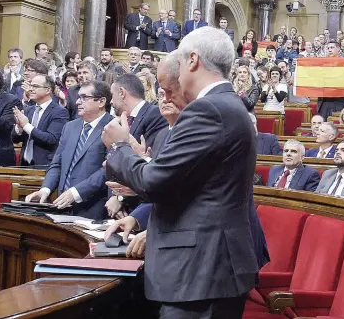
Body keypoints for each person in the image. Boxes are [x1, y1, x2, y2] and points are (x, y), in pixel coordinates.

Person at [102, 28, 260, 318]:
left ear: (192, 60)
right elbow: (192, 185)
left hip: (202, 270)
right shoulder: (227, 105)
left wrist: (118, 148)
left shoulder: (208, 110)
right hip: (207, 268)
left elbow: (154, 183)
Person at [24, 81, 113, 220]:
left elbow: (108, 170)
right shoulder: (70, 127)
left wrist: (76, 193)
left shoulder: (113, 127)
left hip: (93, 209)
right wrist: (45, 189)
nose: (78, 102)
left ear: (101, 101)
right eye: (78, 97)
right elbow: (57, 163)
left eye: (84, 97)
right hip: (62, 207)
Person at [12, 74, 69, 167]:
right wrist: (19, 127)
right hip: (24, 164)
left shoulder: (60, 112)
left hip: (45, 165)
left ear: (48, 90)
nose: (30, 89)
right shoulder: (29, 110)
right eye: (30, 85)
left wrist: (26, 126)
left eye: (35, 86)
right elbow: (15, 139)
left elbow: (51, 139)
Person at [110, 73, 167, 150]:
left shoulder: (155, 115)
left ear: (122, 93)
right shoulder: (122, 120)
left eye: (112, 95)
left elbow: (148, 154)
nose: (111, 101)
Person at [317, 40, 344, 120]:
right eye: (328, 48)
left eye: (332, 47)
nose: (329, 50)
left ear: (339, 49)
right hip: (324, 102)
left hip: (339, 101)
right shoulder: (322, 63)